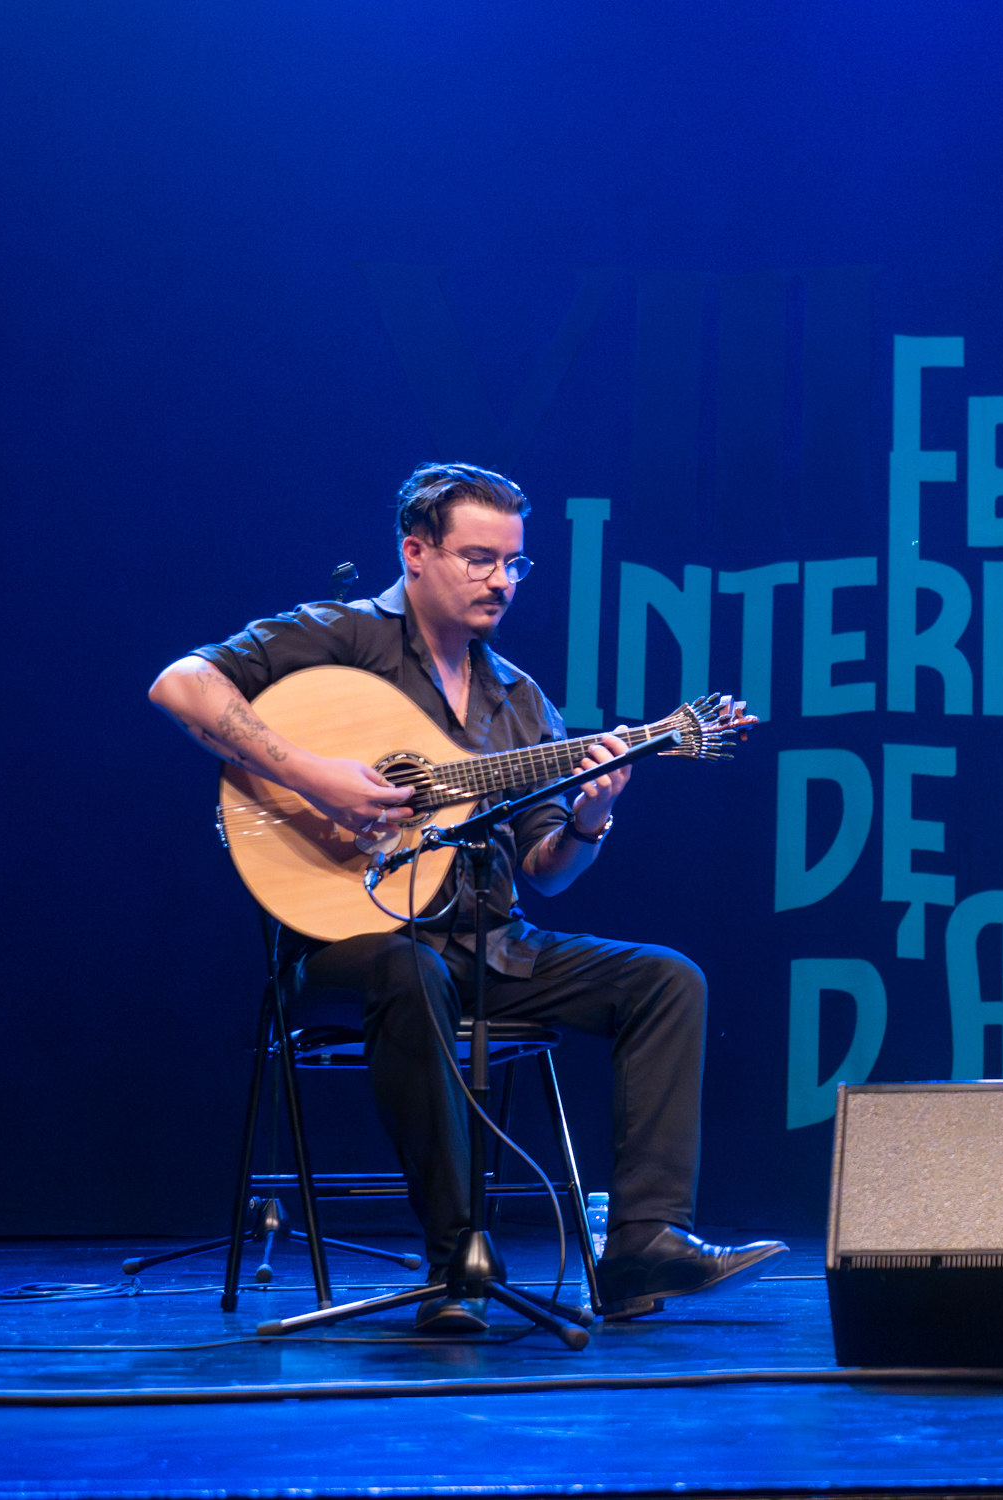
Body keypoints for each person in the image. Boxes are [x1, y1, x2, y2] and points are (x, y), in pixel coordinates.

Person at [149, 462, 785, 1331]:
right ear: (415, 552)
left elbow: (546, 870)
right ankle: (458, 1264)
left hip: (488, 942)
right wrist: (314, 775)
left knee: (667, 979)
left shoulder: (519, 700)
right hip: (348, 942)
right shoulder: (343, 636)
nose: (501, 581)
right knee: (410, 970)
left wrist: (592, 818)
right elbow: (182, 684)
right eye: (479, 559)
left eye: (514, 563)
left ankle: (644, 1243)